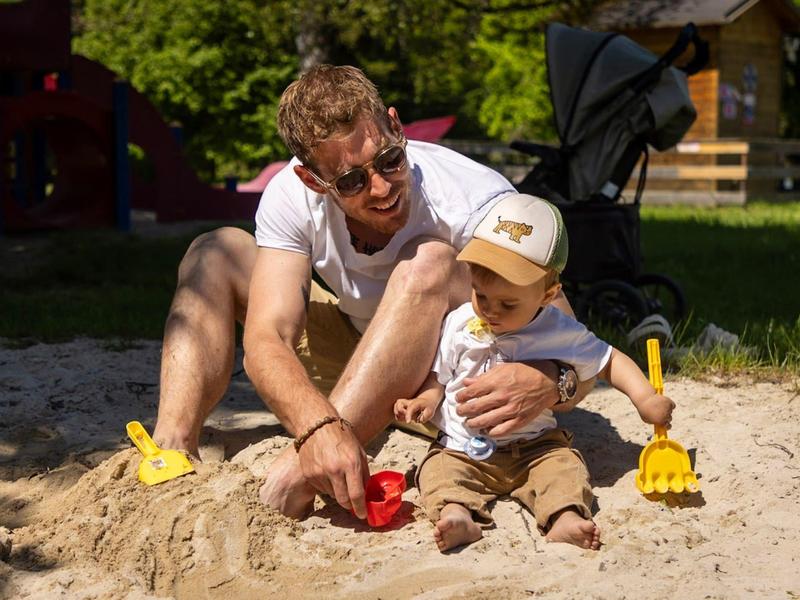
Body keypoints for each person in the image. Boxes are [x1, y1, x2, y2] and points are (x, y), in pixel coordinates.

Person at [152, 65, 593, 521]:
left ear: (397, 127)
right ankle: (171, 453)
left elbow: (574, 342)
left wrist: (549, 378)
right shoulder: (290, 194)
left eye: (389, 160)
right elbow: (268, 338)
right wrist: (317, 426)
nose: (382, 188)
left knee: (430, 262)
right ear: (313, 180)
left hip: (450, 384)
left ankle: (296, 476)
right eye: (351, 181)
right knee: (214, 251)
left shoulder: (474, 201)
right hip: (360, 356)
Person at [393, 194, 675, 552]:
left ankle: (564, 518)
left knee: (564, 469)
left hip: (535, 448)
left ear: (548, 294)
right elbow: (441, 375)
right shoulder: (462, 320)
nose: (490, 311)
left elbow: (610, 360)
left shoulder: (559, 331)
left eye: (508, 303)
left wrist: (645, 398)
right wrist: (426, 400)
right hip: (463, 448)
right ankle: (457, 514)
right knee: (438, 472)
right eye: (481, 296)